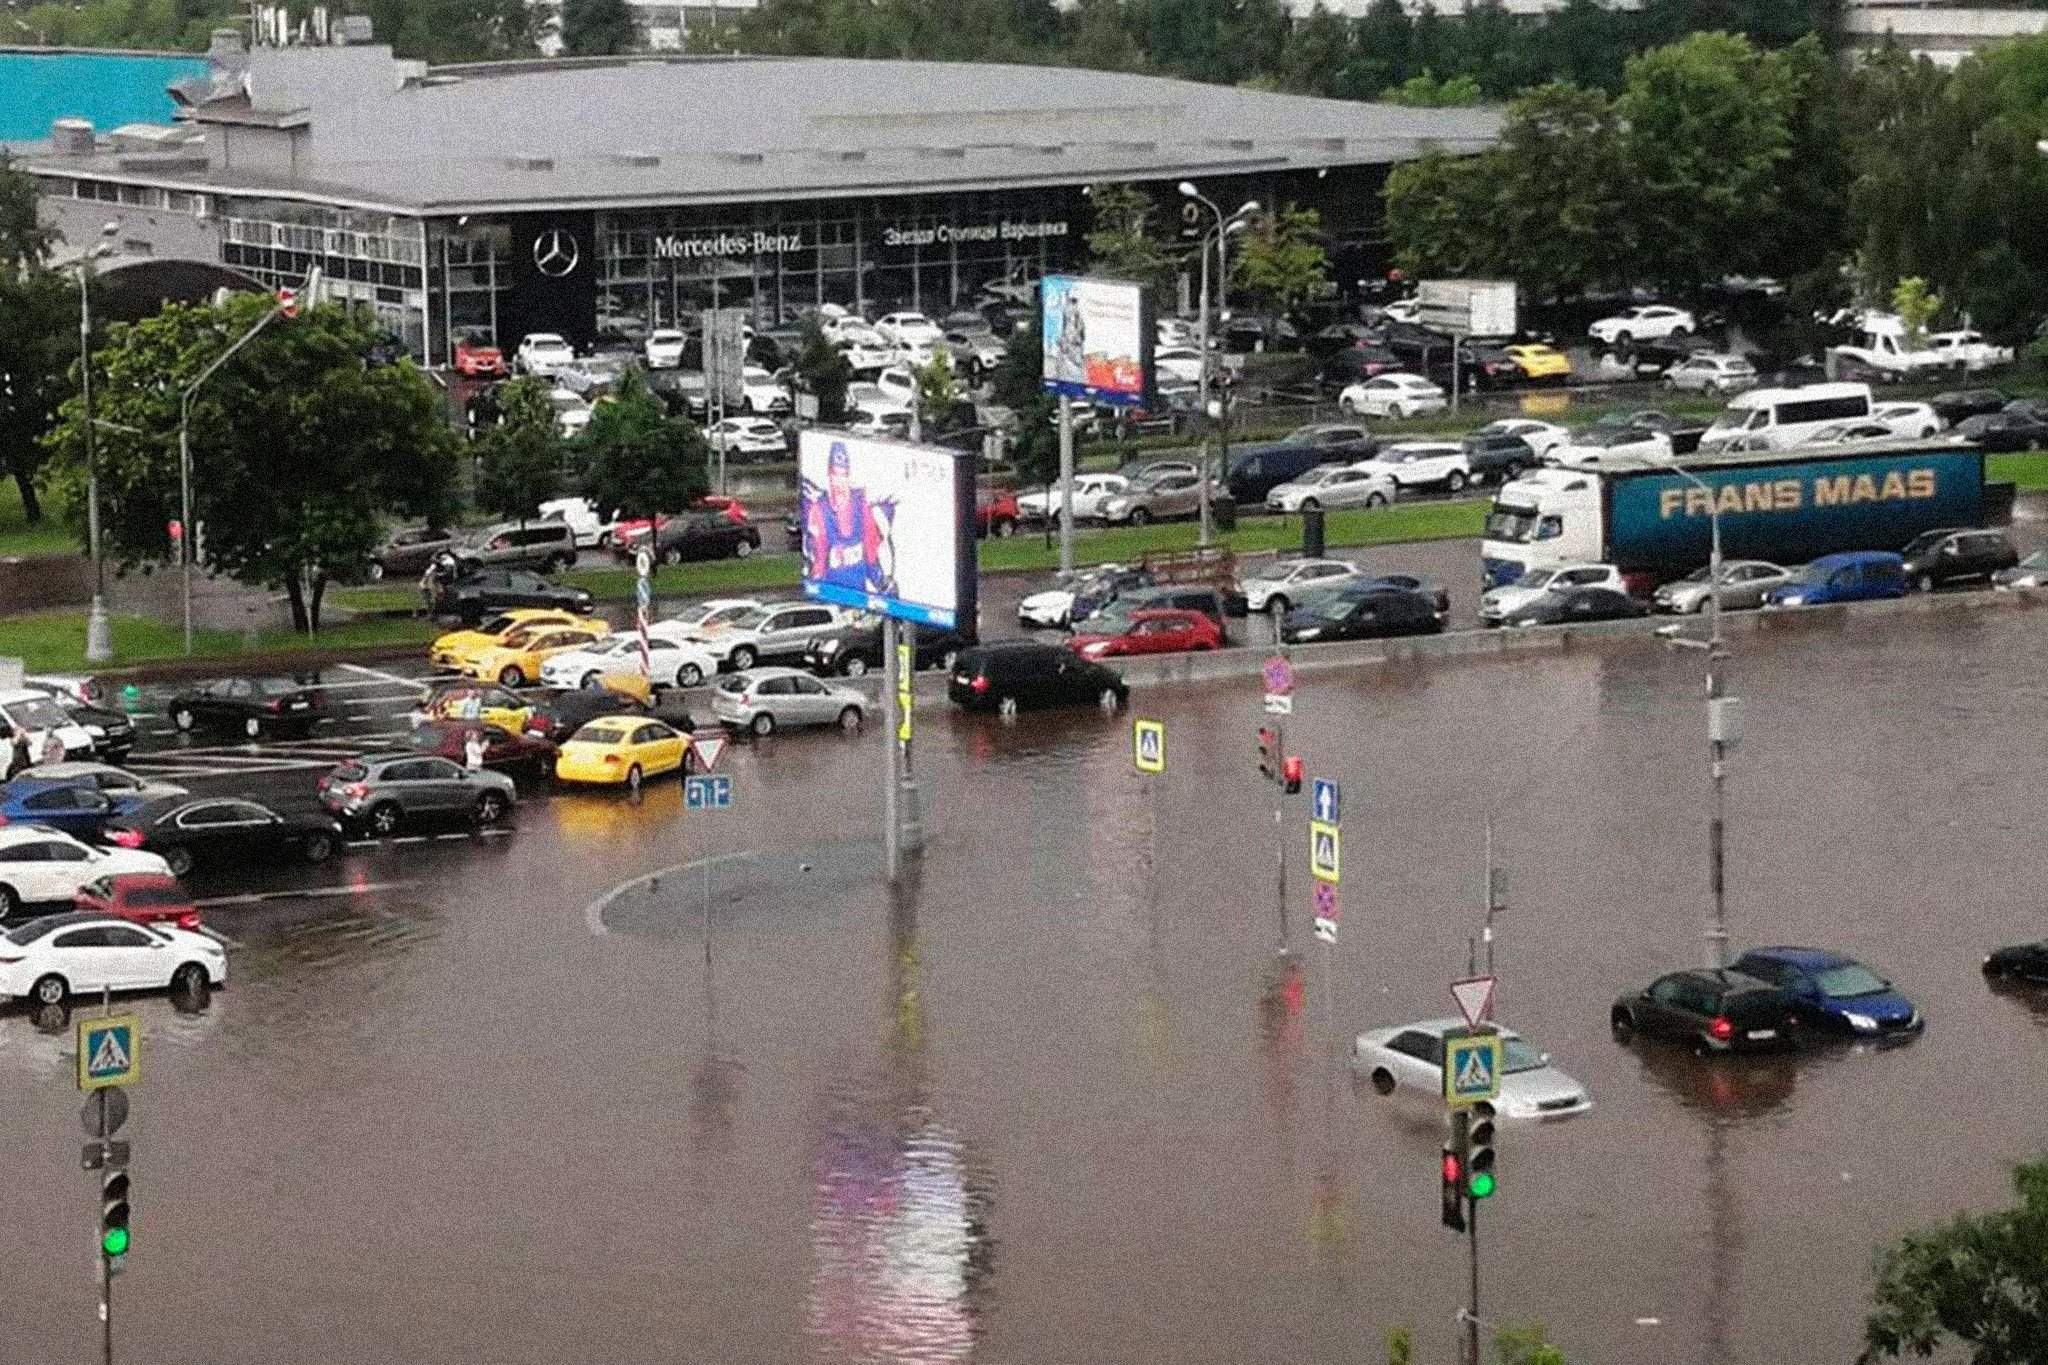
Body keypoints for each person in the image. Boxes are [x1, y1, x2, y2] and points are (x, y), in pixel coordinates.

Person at [803, 441, 895, 597]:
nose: (839, 481)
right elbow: (818, 554)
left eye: (843, 475)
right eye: (835, 474)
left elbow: (870, 550)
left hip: (858, 592)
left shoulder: (861, 503)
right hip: (831, 589)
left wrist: (882, 582)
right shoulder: (820, 508)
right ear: (829, 475)